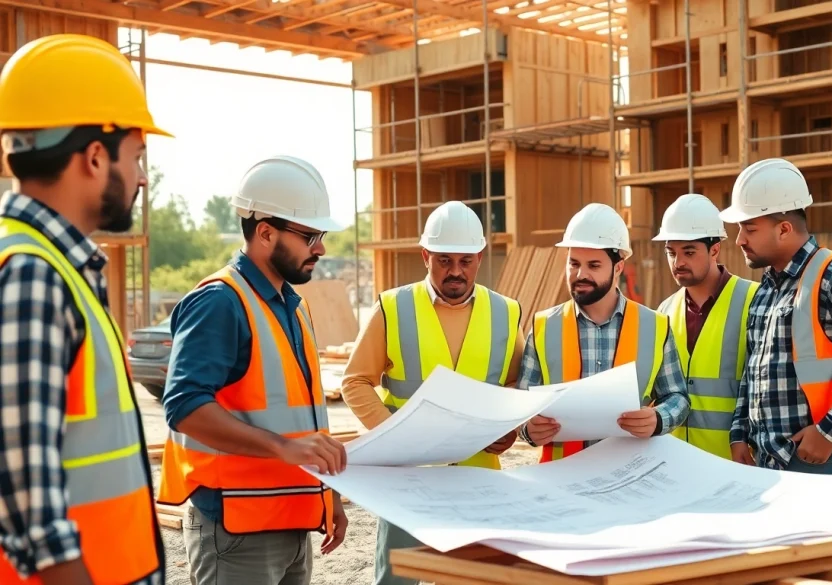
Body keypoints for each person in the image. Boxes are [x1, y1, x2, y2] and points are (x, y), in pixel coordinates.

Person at [0, 34, 169, 585]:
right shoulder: (32, 275)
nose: (143, 177)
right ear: (96, 156)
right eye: (138, 157)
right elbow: (30, 499)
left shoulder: (56, 267)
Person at [156, 155, 349, 585]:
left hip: (291, 521)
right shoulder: (220, 302)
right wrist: (283, 448)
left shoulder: (292, 308)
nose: (320, 248)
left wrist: (327, 494)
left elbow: (304, 417)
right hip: (236, 531)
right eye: (310, 235)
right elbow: (184, 407)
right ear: (265, 232)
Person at [341, 199, 525, 585]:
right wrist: (394, 437)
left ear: (480, 256)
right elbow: (355, 381)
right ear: (425, 255)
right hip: (408, 478)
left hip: (478, 477)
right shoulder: (393, 307)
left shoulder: (506, 312)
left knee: (472, 578)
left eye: (465, 261)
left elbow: (514, 385)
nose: (455, 272)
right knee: (398, 579)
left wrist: (506, 429)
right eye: (444, 260)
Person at [720, 158, 832, 475]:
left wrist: (829, 431)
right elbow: (753, 369)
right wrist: (739, 433)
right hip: (770, 462)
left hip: (827, 460)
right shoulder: (766, 290)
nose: (739, 240)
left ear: (784, 228)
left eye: (749, 228)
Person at [518, 203, 691, 461]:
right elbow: (522, 404)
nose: (580, 274)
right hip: (561, 478)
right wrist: (528, 428)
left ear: (618, 267)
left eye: (594, 265)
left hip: (629, 476)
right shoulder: (544, 327)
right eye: (574, 263)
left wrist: (658, 418)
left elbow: (677, 396)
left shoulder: (655, 326)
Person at [653, 194, 759, 461]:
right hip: (678, 462)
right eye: (671, 252)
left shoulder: (755, 300)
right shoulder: (663, 312)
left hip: (737, 461)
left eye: (689, 252)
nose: (677, 263)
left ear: (714, 249)